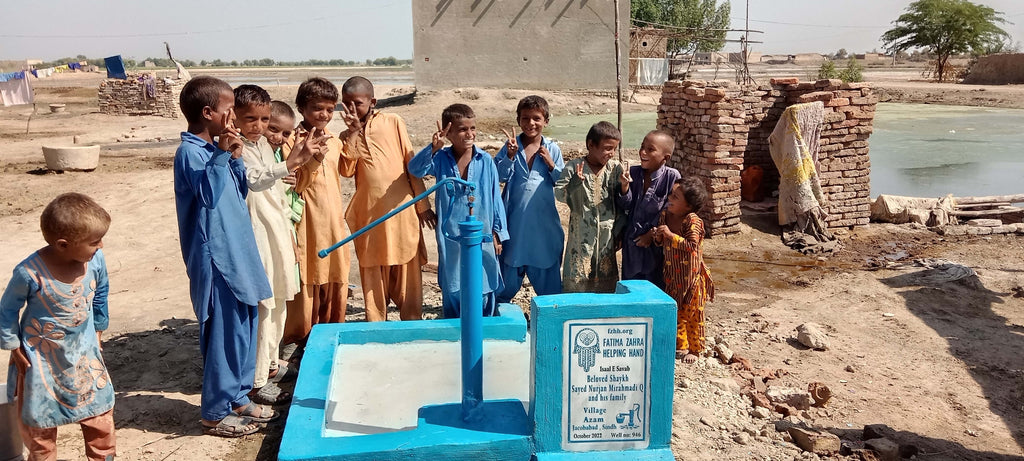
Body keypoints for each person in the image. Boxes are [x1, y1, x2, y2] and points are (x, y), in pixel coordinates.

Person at [172, 75, 276, 438]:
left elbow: (238, 185)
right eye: (229, 109)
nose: (234, 117)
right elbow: (206, 194)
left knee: (245, 323)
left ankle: (239, 395)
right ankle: (215, 412)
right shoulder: (190, 153)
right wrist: (221, 155)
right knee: (224, 332)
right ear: (207, 113)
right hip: (216, 259)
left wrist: (231, 154)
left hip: (238, 251)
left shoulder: (216, 150)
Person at [0, 193, 116, 460]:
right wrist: (13, 345)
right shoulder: (29, 273)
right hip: (41, 362)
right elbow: (6, 310)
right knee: (40, 427)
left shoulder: (94, 261)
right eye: (94, 241)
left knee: (100, 419)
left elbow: (101, 293)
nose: (101, 246)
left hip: (85, 357)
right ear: (63, 245)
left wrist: (98, 328)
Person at [235, 85, 322, 405]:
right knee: (265, 305)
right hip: (260, 237)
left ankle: (271, 365)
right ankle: (257, 380)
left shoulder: (261, 147)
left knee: (280, 300)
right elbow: (254, 178)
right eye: (252, 120)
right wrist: (288, 165)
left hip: (277, 233)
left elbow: (272, 183)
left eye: (265, 120)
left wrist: (287, 169)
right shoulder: (239, 148)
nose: (259, 128)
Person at [337, 76, 434, 322]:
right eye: (346, 104)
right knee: (371, 266)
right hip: (368, 213)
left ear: (373, 102)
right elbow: (346, 171)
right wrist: (353, 133)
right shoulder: (345, 135)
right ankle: (375, 322)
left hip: (401, 208)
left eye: (357, 103)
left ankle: (411, 320)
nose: (351, 109)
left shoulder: (392, 121)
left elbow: (410, 163)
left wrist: (422, 205)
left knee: (407, 263)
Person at [408, 104, 508, 318]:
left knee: (483, 280)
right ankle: (454, 327)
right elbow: (415, 170)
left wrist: (498, 231)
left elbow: (494, 198)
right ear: (448, 132)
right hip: (451, 234)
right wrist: (433, 148)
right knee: (454, 282)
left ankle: (482, 326)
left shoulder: (485, 160)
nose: (469, 134)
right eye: (463, 130)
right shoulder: (441, 159)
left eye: (473, 128)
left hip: (482, 234)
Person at [282, 77, 352, 348]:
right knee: (308, 275)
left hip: (333, 219)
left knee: (334, 274)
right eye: (316, 109)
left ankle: (330, 334)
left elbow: (346, 169)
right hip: (307, 221)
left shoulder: (334, 141)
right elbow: (295, 184)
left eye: (329, 109)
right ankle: (298, 340)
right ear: (301, 108)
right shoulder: (291, 142)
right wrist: (312, 159)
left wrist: (354, 135)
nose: (323, 115)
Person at [494, 95, 564, 303]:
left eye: (536, 118)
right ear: (518, 120)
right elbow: (498, 177)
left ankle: (551, 317)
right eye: (525, 118)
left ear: (546, 121)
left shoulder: (552, 149)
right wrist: (509, 156)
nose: (531, 123)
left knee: (549, 283)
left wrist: (551, 165)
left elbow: (562, 185)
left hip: (543, 226)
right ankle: (498, 316)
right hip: (514, 224)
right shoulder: (511, 146)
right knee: (508, 270)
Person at [555, 121, 627, 293]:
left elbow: (622, 205)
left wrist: (625, 187)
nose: (611, 153)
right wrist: (574, 185)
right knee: (578, 283)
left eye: (614, 149)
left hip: (606, 238)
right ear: (590, 145)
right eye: (608, 148)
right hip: (580, 237)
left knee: (605, 284)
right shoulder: (574, 167)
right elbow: (559, 194)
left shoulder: (615, 169)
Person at [654, 177, 714, 363]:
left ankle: (695, 350)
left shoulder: (692, 221)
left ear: (688, 206)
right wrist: (658, 236)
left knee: (694, 314)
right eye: (671, 194)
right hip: (672, 275)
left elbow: (691, 246)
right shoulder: (665, 215)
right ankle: (681, 345)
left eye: (676, 196)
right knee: (676, 310)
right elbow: (660, 242)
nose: (670, 198)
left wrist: (670, 235)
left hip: (692, 278)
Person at [618, 130, 681, 288]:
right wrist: (624, 187)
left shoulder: (671, 177)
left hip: (656, 248)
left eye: (650, 149)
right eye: (642, 147)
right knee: (630, 288)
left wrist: (652, 234)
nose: (642, 152)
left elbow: (670, 211)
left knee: (654, 288)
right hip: (632, 244)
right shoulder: (633, 173)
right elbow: (626, 206)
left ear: (665, 158)